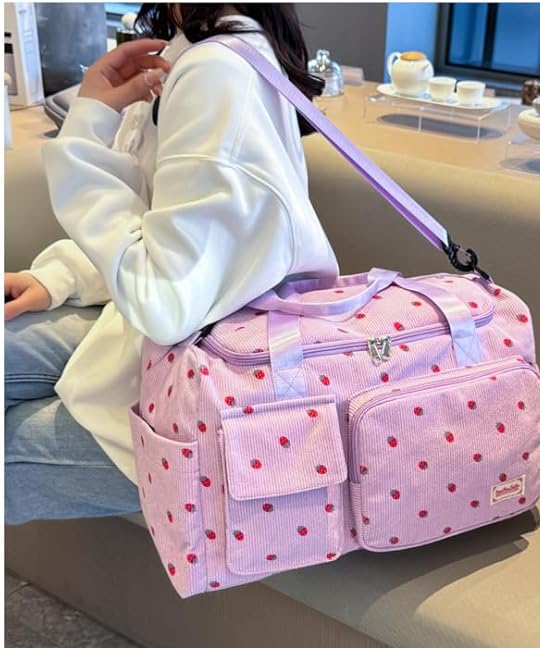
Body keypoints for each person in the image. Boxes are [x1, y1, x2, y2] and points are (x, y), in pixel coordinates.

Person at [5, 3, 339, 524]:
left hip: (203, 397)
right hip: (174, 345)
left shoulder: (216, 71)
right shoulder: (203, 46)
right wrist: (61, 276)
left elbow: (166, 301)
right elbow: (167, 232)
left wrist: (83, 139)